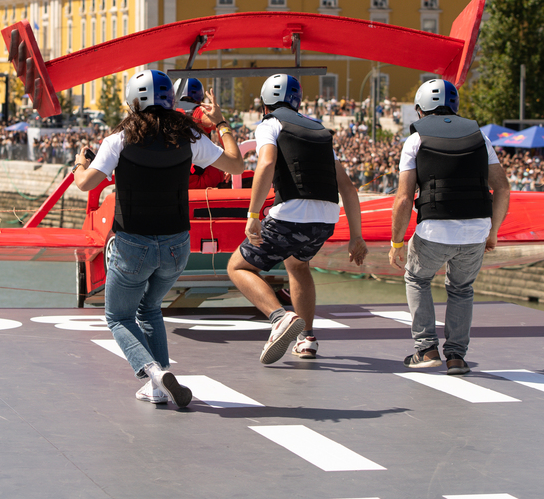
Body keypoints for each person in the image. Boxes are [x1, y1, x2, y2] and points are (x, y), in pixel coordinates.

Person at [73, 69, 244, 407]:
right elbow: (237, 165)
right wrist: (222, 123)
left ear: (132, 103)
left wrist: (80, 165)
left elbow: (86, 184)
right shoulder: (189, 137)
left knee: (118, 317)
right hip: (177, 245)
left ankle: (153, 371)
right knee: (150, 308)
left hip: (132, 245)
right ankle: (159, 385)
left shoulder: (119, 139)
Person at [227, 74, 367, 364]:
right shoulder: (319, 130)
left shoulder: (270, 123)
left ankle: (279, 318)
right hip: (326, 219)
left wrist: (253, 215)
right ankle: (307, 339)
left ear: (265, 104)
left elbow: (265, 163)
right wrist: (356, 236)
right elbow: (349, 188)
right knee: (297, 264)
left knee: (238, 267)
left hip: (291, 214)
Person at [388, 78, 511, 376]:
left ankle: (426, 348)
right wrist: (492, 232)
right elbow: (503, 188)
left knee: (417, 279)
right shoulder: (479, 136)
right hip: (476, 231)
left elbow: (404, 199)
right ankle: (456, 356)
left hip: (434, 230)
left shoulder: (416, 140)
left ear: (420, 110)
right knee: (461, 288)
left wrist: (396, 242)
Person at [174, 77, 227, 189]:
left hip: (173, 176)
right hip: (198, 177)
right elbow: (218, 122)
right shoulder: (197, 111)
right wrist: (228, 154)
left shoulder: (167, 111)